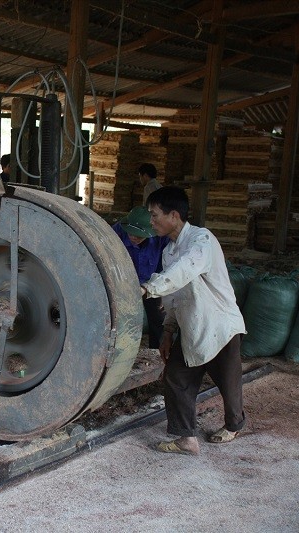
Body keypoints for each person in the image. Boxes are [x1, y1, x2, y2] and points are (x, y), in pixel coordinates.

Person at [140, 186, 246, 456]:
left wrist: (147, 288)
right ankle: (186, 439)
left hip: (219, 325)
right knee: (176, 378)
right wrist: (167, 331)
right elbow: (176, 296)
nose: (151, 222)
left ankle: (234, 425)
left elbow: (183, 271)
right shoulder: (170, 251)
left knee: (228, 382)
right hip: (192, 327)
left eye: (154, 216)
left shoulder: (202, 240)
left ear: (174, 215)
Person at [111, 206, 169, 349]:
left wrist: (164, 291)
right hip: (124, 285)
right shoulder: (116, 232)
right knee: (121, 320)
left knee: (158, 319)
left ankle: (156, 353)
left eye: (139, 235)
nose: (134, 237)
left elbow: (169, 264)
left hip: (152, 283)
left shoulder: (161, 237)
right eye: (131, 234)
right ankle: (122, 351)